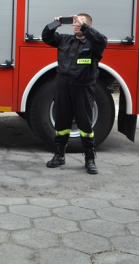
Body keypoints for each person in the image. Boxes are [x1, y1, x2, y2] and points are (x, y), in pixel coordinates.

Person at [41, 14, 107, 175]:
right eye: (75, 22)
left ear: (88, 27)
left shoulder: (94, 43)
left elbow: (102, 40)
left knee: (85, 124)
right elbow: (46, 38)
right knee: (61, 122)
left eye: (80, 23)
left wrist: (83, 26)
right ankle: (59, 155)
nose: (76, 25)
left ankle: (90, 159)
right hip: (63, 86)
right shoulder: (65, 40)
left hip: (83, 88)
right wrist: (53, 25)